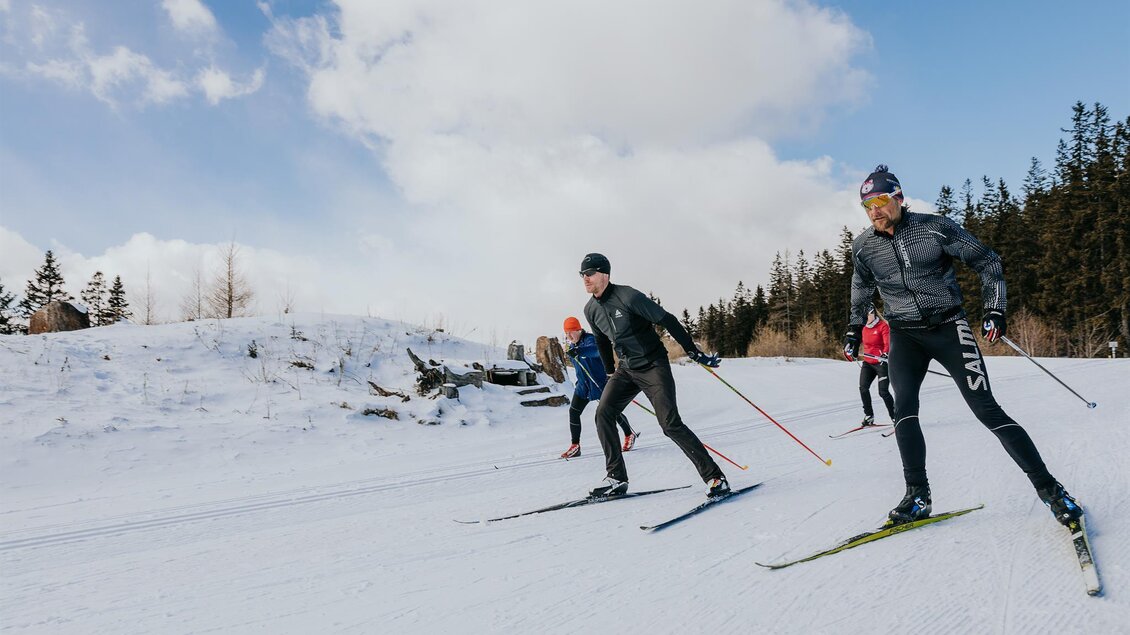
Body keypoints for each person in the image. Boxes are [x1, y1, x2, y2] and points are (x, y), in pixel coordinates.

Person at [843, 165, 1082, 526]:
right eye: (866, 205)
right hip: (905, 335)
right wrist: (853, 330)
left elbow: (987, 261)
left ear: (898, 198)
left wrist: (995, 309)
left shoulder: (934, 227)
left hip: (948, 328)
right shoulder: (863, 247)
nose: (874, 210)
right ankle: (917, 495)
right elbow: (860, 290)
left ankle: (1051, 491)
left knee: (987, 411)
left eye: (880, 200)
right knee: (904, 411)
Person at [578, 252, 728, 498]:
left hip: (653, 365)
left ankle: (715, 478)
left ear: (604, 274)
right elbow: (602, 340)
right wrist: (608, 372)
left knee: (670, 425)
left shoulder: (629, 296)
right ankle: (616, 478)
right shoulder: (590, 309)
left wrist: (693, 351)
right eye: (582, 274)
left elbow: (667, 319)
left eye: (590, 273)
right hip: (626, 369)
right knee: (603, 413)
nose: (585, 278)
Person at [560, 316, 639, 458]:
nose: (569, 336)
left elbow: (596, 350)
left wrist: (579, 352)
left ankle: (629, 434)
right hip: (583, 386)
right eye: (566, 333)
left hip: (600, 385)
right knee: (574, 412)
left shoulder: (590, 339)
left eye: (571, 331)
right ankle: (575, 445)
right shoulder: (572, 346)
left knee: (610, 412)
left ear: (579, 329)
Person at [857, 309, 895, 426]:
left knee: (883, 392)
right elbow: (860, 342)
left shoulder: (883, 326)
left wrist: (885, 353)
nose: (866, 317)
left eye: (868, 314)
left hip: (881, 363)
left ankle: (895, 417)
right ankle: (869, 416)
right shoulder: (864, 328)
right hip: (868, 363)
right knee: (863, 388)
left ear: (873, 314)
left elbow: (887, 343)